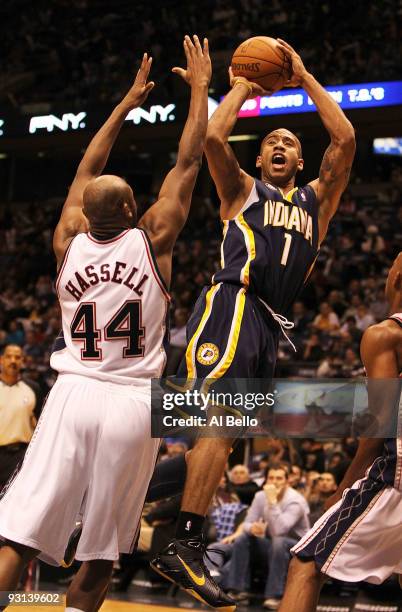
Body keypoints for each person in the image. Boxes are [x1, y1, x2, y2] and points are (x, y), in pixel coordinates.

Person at [0, 36, 215, 612]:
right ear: (129, 211)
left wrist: (123, 105)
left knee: (17, 534)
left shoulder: (65, 240)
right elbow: (188, 161)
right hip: (129, 402)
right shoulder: (155, 237)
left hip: (71, 393)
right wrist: (199, 93)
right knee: (99, 550)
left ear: (84, 213)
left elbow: (85, 167)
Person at [152, 38, 355, 610]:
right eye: (272, 141)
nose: (283, 145)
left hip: (269, 325)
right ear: (261, 160)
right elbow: (214, 138)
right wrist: (245, 82)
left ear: (299, 159)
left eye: (291, 141)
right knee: (216, 422)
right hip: (233, 304)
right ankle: (185, 542)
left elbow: (344, 139)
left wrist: (305, 72)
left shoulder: (319, 200)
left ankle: (141, 500)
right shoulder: (243, 190)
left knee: (219, 441)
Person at [279, 252, 402, 612]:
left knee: (306, 562)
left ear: (396, 279)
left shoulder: (386, 335)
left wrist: (345, 486)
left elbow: (380, 425)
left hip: (394, 475)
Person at [222, 465, 310, 609]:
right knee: (243, 538)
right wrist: (252, 528)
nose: (275, 482)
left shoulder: (296, 501)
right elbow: (246, 523)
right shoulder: (260, 496)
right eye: (271, 478)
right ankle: (238, 590)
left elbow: (279, 531)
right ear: (266, 480)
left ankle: (274, 595)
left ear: (287, 482)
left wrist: (272, 502)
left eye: (279, 478)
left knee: (279, 542)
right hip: (273, 545)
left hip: (298, 549)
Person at [0, 345, 41, 491]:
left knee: (17, 503)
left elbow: (40, 425)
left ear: (22, 361)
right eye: (9, 357)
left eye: (17, 357)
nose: (13, 361)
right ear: (1, 360)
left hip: (21, 455)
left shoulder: (33, 388)